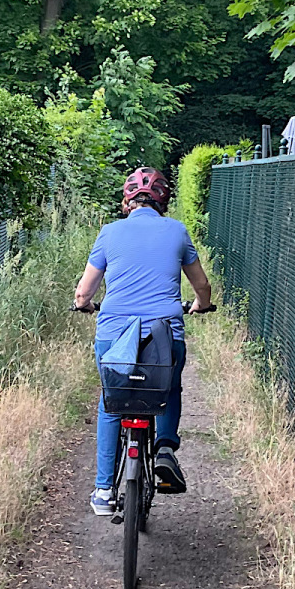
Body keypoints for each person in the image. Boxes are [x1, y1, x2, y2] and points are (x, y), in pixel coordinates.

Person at [72, 167, 215, 515]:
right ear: (163, 200)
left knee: (112, 401)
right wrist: (200, 305)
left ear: (127, 199)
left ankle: (104, 490)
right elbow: (202, 287)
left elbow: (82, 293)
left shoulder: (109, 233)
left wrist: (87, 305)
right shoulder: (177, 231)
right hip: (164, 333)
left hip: (114, 335)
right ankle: (164, 448)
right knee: (169, 389)